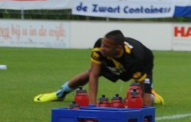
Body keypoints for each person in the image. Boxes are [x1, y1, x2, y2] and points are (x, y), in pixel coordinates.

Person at [33, 29, 164, 105]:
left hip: (142, 63)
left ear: (118, 48)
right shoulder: (99, 46)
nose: (102, 48)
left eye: (106, 46)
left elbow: (138, 86)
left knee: (145, 102)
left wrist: (136, 99)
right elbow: (94, 75)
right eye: (102, 44)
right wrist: (92, 104)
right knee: (89, 72)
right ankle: (60, 94)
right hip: (115, 60)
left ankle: (153, 95)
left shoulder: (136, 59)